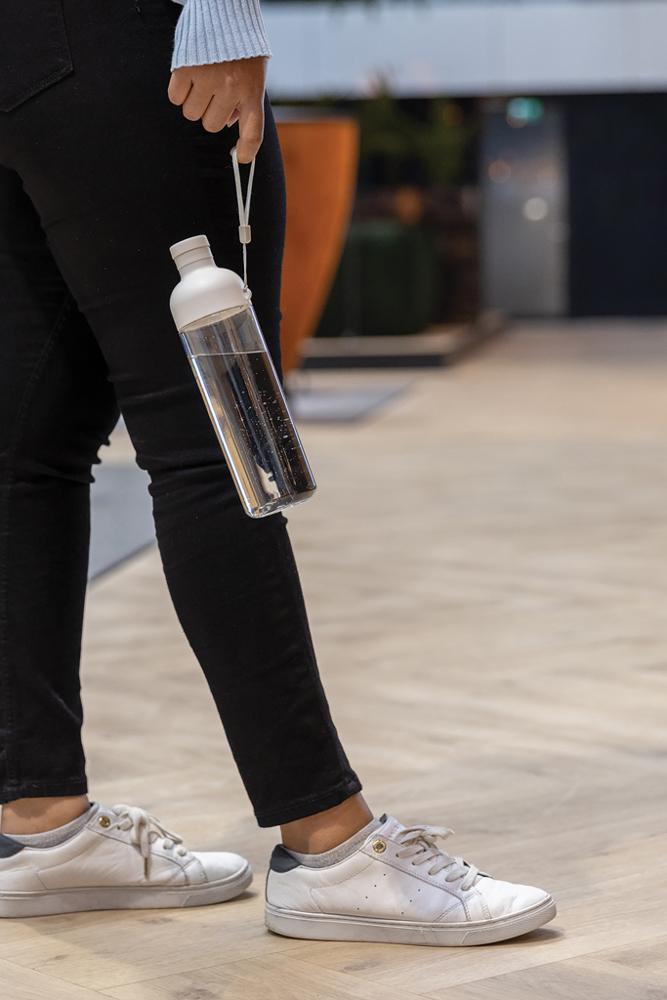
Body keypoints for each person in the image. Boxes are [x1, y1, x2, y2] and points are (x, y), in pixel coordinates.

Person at [0, 0, 557, 944]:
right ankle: (328, 842)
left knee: (25, 449)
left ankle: (38, 821)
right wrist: (220, 17)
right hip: (120, 40)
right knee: (218, 438)